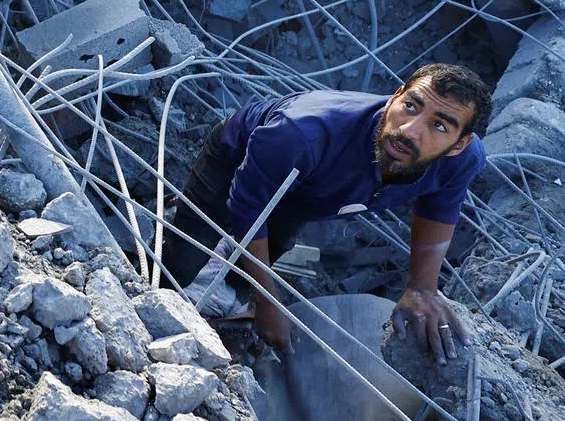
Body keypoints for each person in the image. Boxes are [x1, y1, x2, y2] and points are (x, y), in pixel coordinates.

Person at [164, 63, 492, 363]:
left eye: (438, 125)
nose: (409, 131)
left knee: (274, 245)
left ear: (459, 145)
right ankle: (159, 285)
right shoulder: (302, 132)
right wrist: (268, 302)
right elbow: (248, 210)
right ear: (395, 97)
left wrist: (422, 286)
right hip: (237, 162)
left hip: (307, 190)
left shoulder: (463, 160)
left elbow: (439, 208)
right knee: (183, 258)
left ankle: (230, 303)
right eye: (410, 106)